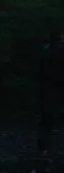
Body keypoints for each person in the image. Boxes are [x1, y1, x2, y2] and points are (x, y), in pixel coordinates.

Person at [39, 28, 64, 156]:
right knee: (48, 117)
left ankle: (44, 147)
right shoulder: (51, 51)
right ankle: (44, 147)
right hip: (52, 87)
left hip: (50, 87)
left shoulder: (46, 50)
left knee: (48, 117)